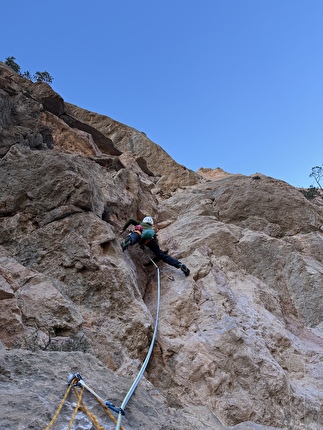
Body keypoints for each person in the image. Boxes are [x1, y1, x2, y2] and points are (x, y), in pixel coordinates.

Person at [120, 216, 190, 276]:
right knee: (161, 255)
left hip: (140, 234)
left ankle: (129, 241)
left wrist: (123, 229)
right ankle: (179, 264)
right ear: (151, 224)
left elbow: (131, 220)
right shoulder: (151, 229)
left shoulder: (141, 223)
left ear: (144, 220)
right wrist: (145, 244)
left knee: (135, 234)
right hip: (150, 240)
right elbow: (155, 240)